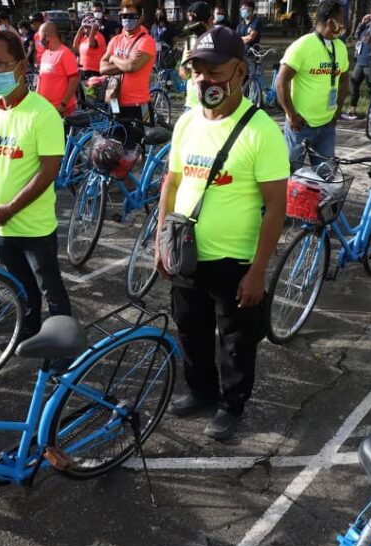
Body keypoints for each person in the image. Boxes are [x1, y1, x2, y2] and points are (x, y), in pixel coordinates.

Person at [158, 26, 288, 440]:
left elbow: (276, 206)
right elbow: (171, 184)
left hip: (235, 262)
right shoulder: (186, 123)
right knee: (190, 330)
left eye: (215, 71)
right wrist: (161, 241)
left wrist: (258, 270)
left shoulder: (261, 131)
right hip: (187, 255)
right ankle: (201, 392)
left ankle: (232, 404)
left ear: (241, 72)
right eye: (197, 70)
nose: (204, 80)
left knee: (235, 341)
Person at [0, 30, 72, 340]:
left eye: (1, 64)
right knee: (20, 288)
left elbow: (48, 171)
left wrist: (10, 209)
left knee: (50, 289)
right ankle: (29, 331)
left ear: (21, 66)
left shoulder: (42, 113)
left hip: (33, 228)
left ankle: (63, 346)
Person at [277, 0, 349, 170]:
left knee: (325, 178)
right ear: (330, 22)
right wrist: (292, 115)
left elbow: (344, 79)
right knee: (291, 174)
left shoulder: (340, 47)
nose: (344, 24)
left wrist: (337, 112)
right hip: (301, 126)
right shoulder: (303, 46)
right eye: (341, 19)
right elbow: (281, 81)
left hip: (326, 127)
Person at [99, 0, 156, 121]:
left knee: (140, 139)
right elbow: (102, 68)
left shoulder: (146, 41)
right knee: (116, 139)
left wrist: (114, 58)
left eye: (132, 16)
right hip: (114, 103)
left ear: (140, 18)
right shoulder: (116, 40)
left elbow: (132, 66)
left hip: (138, 105)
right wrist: (125, 62)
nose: (127, 19)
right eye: (124, 16)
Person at [179, 2, 216, 112]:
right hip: (191, 104)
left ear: (210, 21)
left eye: (198, 27)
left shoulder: (219, 41)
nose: (195, 31)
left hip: (212, 103)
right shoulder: (190, 40)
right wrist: (185, 62)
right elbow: (183, 74)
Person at [36, 22, 79, 116]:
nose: (40, 42)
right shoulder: (45, 54)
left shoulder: (65, 53)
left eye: (41, 38)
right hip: (46, 108)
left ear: (47, 36)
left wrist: (63, 104)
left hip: (61, 109)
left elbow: (74, 80)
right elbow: (41, 78)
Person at [74, 13, 107, 83]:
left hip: (94, 71)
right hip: (83, 70)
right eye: (84, 27)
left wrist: (93, 30)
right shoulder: (84, 38)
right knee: (82, 93)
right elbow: (75, 46)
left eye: (87, 27)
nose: (85, 30)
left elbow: (91, 44)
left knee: (91, 93)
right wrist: (80, 30)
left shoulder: (99, 36)